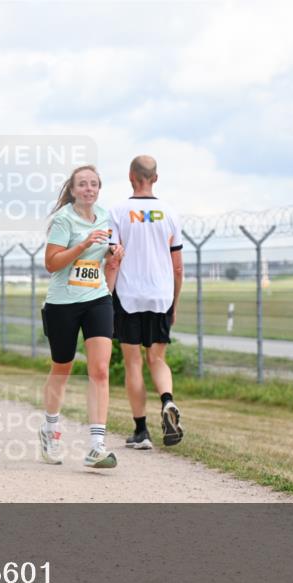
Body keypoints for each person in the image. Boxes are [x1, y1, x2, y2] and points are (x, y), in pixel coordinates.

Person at [37, 165, 122, 469]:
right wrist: (84, 244)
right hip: (63, 303)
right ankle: (49, 431)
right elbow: (51, 263)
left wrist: (113, 255)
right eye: (82, 184)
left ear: (99, 189)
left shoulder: (105, 217)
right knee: (63, 367)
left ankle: (97, 446)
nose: (89, 189)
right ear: (72, 191)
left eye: (94, 184)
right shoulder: (64, 220)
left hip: (97, 298)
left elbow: (103, 261)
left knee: (100, 369)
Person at [104, 155, 185, 448]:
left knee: (133, 362)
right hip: (161, 295)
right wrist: (174, 302)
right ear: (156, 177)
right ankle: (167, 401)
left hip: (128, 296)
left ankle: (141, 431)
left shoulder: (118, 211)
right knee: (157, 358)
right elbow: (178, 267)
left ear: (130, 176)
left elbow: (113, 260)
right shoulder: (170, 213)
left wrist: (104, 298)